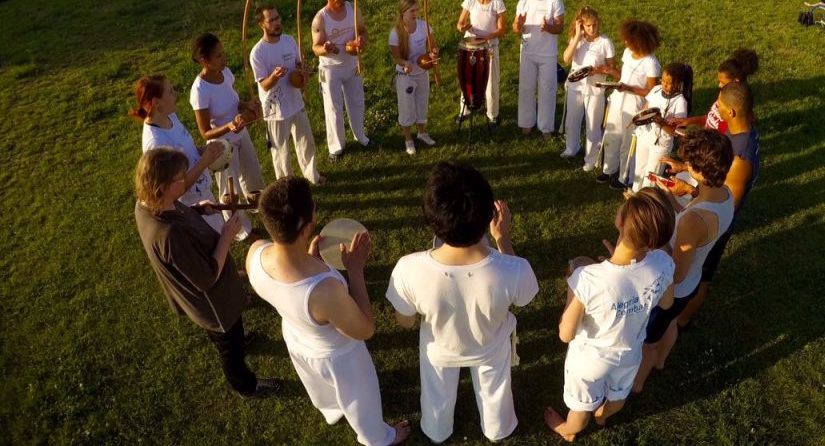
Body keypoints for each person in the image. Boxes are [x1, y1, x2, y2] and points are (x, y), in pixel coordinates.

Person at [246, 177, 410, 445]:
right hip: (338, 355)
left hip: (299, 339)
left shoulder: (255, 252)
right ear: (307, 224)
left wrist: (310, 258)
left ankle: (332, 410)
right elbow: (365, 329)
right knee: (360, 398)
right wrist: (356, 271)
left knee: (321, 388)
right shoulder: (324, 290)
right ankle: (378, 438)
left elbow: (288, 285)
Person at [386, 162, 538, 443]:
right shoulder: (515, 269)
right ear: (488, 216)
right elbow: (524, 298)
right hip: (491, 347)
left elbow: (405, 321)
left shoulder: (408, 269)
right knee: (496, 392)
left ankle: (436, 429)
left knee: (436, 393)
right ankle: (498, 428)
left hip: (439, 350)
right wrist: (503, 239)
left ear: (432, 220)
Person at [133, 148, 281, 399]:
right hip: (213, 304)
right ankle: (245, 386)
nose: (186, 181)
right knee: (229, 347)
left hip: (218, 298)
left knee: (232, 333)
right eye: (179, 179)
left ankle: (238, 339)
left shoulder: (147, 204)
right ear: (161, 187)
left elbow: (176, 211)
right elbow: (207, 277)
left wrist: (198, 209)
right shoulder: (169, 235)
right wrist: (227, 236)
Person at [543, 190, 676, 441]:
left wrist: (573, 291)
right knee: (618, 396)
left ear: (621, 222)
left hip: (589, 361)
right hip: (630, 353)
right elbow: (667, 303)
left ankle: (568, 431)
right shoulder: (663, 262)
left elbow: (565, 334)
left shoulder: (587, 278)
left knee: (580, 409)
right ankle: (603, 416)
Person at [632, 129, 734, 393]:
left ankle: (638, 383)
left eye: (690, 164)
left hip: (675, 289)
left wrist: (654, 231)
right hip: (692, 282)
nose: (685, 167)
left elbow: (675, 271)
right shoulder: (725, 194)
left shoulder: (694, 221)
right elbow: (692, 220)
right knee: (671, 324)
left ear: (699, 170)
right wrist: (672, 203)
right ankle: (662, 362)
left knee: (649, 341)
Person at [664, 80, 761, 331]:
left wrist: (689, 190)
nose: (715, 109)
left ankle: (681, 320)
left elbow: (728, 201)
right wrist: (687, 168)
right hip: (710, 208)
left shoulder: (740, 160)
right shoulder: (742, 128)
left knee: (702, 274)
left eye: (719, 106)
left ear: (732, 112)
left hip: (716, 224)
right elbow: (716, 177)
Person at [131, 74, 237, 236]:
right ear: (156, 103)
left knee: (219, 234)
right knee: (212, 245)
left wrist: (204, 151)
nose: (176, 94)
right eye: (170, 92)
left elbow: (186, 148)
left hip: (202, 190)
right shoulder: (156, 144)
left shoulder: (170, 116)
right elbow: (173, 190)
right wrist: (204, 161)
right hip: (188, 205)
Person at [250, 4, 323, 185]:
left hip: (295, 102)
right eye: (271, 20)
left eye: (277, 18)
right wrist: (274, 76)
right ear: (262, 25)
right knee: (280, 151)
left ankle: (311, 174)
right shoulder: (258, 52)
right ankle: (287, 184)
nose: (276, 23)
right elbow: (264, 85)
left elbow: (299, 63)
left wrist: (304, 72)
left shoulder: (289, 40)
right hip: (275, 109)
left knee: (306, 142)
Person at [189, 32, 264, 204]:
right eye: (219, 56)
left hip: (241, 134)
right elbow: (205, 133)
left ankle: (258, 206)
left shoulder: (226, 73)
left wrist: (247, 105)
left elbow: (232, 102)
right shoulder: (200, 90)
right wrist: (228, 127)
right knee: (230, 192)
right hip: (222, 146)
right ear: (204, 61)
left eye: (223, 53)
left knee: (252, 175)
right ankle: (240, 230)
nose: (224, 58)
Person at [597, 20, 661, 191]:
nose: (625, 43)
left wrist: (629, 88)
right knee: (612, 134)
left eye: (629, 40)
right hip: (619, 99)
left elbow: (651, 92)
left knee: (627, 141)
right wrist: (611, 72)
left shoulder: (651, 64)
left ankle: (625, 177)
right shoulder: (627, 53)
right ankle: (609, 169)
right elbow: (623, 76)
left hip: (635, 105)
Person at [312, 0, 371, 162]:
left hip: (351, 64)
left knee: (357, 102)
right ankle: (336, 147)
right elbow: (315, 47)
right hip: (330, 69)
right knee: (334, 108)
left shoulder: (353, 9)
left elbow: (363, 30)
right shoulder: (320, 18)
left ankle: (361, 136)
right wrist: (325, 48)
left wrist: (361, 40)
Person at [561, 6, 615, 169]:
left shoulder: (605, 42)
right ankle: (571, 148)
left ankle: (591, 158)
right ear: (581, 25)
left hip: (595, 88)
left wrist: (597, 70)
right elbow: (566, 59)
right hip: (576, 86)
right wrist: (577, 36)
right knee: (572, 120)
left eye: (595, 25)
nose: (592, 29)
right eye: (588, 26)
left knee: (593, 123)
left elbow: (612, 66)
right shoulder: (577, 39)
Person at [512, 0, 564, 137]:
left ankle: (546, 127)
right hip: (527, 51)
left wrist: (548, 27)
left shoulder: (554, 1)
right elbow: (515, 28)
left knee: (547, 89)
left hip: (547, 53)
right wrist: (518, 25)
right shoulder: (523, 1)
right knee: (526, 88)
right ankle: (526, 122)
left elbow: (560, 27)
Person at [629, 62, 689, 194]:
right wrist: (638, 120)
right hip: (645, 137)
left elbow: (676, 132)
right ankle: (633, 197)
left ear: (678, 83)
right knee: (639, 169)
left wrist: (662, 123)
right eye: (663, 81)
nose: (665, 86)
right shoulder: (656, 89)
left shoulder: (680, 102)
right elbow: (646, 107)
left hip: (660, 145)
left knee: (651, 177)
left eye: (669, 83)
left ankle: (645, 205)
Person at [388, 0, 438, 155]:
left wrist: (433, 53)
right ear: (403, 12)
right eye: (412, 11)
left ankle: (422, 133)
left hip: (422, 72)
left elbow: (433, 46)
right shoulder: (395, 34)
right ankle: (408, 139)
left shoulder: (424, 26)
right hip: (406, 75)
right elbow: (397, 58)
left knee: (422, 102)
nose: (416, 13)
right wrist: (405, 63)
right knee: (407, 107)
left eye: (417, 10)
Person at [456, 0, 507, 124]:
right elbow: (460, 23)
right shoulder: (470, 0)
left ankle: (492, 115)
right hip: (470, 47)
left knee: (491, 82)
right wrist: (462, 27)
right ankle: (464, 110)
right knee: (467, 79)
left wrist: (486, 38)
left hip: (489, 47)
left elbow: (502, 29)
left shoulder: (497, 3)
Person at [674, 48, 758, 134]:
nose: (719, 85)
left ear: (735, 81)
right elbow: (712, 118)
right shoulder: (724, 98)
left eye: (722, 82)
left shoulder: (734, 115)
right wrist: (690, 121)